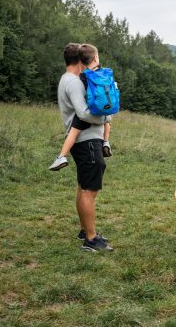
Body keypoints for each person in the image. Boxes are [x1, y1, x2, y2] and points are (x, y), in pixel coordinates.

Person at [56, 43, 113, 252]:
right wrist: (106, 116)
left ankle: (84, 229)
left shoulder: (68, 80)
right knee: (90, 189)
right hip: (87, 140)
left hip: (85, 139)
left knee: (83, 187)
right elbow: (83, 113)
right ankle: (91, 238)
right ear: (81, 59)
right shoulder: (73, 83)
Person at [49, 44, 112, 171]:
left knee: (74, 130)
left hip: (92, 113)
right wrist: (105, 118)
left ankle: (61, 156)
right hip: (94, 119)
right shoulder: (78, 80)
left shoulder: (76, 77)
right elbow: (83, 114)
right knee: (105, 121)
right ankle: (106, 142)